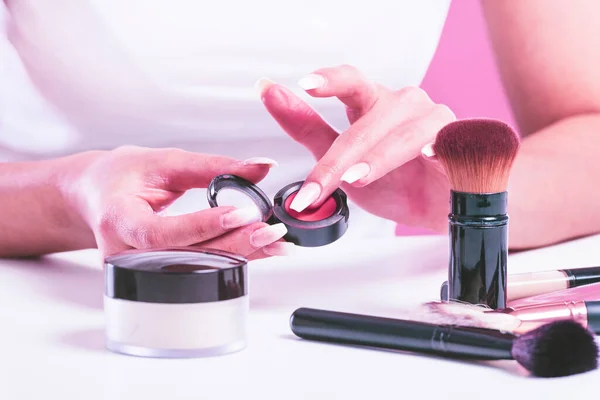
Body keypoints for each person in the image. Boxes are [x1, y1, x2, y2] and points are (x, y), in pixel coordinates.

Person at [1, 1, 599, 259]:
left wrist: (471, 198)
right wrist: (68, 198)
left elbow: (589, 132)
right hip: (45, 303)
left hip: (343, 318)